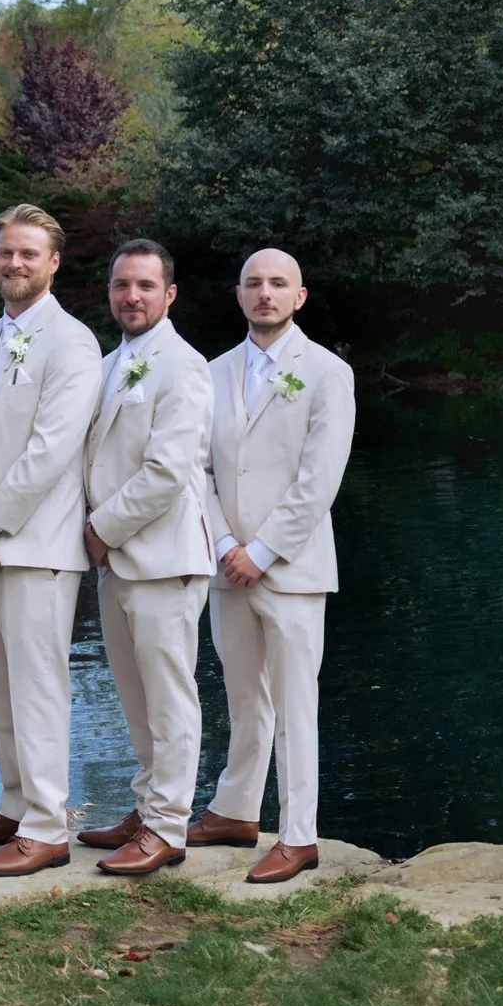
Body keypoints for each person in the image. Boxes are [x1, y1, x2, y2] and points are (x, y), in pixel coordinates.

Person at [191, 247, 355, 883]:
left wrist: (260, 552)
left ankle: (299, 834)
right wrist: (225, 543)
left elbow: (319, 480)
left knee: (294, 703)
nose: (266, 293)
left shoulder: (325, 373)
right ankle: (235, 810)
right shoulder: (214, 371)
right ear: (238, 296)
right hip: (226, 562)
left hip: (290, 567)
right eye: (254, 284)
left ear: (300, 297)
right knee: (242, 695)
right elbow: (199, 470)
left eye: (278, 284)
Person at [0, 203, 101, 878]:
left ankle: (46, 825)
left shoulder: (73, 343)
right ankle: (15, 804)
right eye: (5, 252)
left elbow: (51, 451)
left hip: (37, 544)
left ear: (53, 262)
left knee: (39, 686)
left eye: (27, 253)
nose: (14, 263)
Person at [77, 239, 213, 877]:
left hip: (164, 556)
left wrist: (100, 528)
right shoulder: (110, 362)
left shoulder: (182, 365)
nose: (131, 297)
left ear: (170, 294)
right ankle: (147, 806)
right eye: (121, 285)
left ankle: (169, 826)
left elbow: (165, 472)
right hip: (116, 560)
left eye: (145, 286)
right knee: (134, 696)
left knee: (169, 696)